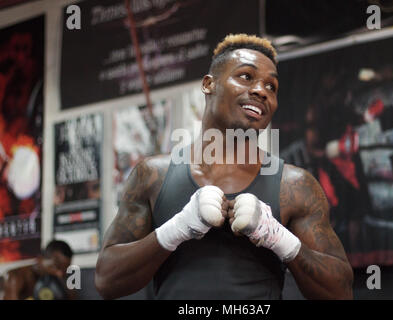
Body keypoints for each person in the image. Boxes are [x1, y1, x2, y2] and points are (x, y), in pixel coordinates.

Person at [95, 34, 354, 300]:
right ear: (209, 84)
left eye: (271, 86)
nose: (261, 91)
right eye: (246, 77)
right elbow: (107, 281)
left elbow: (340, 292)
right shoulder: (152, 176)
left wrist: (278, 237)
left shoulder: (295, 185)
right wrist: (177, 228)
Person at [3, 240, 73, 300]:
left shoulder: (60, 278)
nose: (60, 273)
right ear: (40, 259)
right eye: (56, 267)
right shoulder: (16, 277)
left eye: (64, 270)